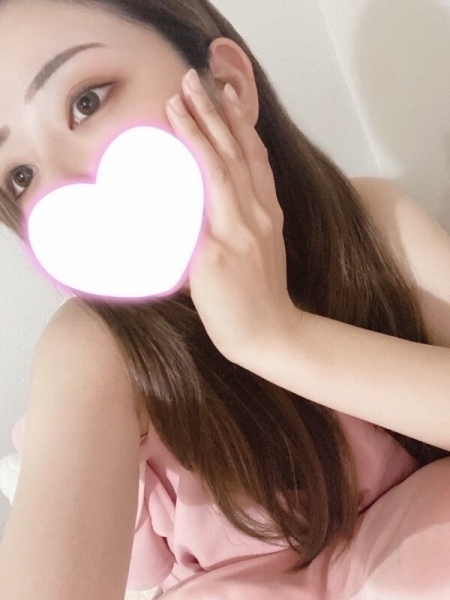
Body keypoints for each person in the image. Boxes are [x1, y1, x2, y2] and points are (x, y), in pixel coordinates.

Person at [0, 1, 449, 598]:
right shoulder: (92, 349)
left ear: (227, 85)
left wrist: (275, 337)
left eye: (86, 101)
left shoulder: (371, 223)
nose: (63, 187)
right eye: (20, 175)